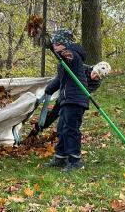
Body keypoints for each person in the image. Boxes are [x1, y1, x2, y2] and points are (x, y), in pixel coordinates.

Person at [43, 29, 89, 173]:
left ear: (64, 44)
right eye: (54, 43)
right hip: (66, 99)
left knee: (70, 129)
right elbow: (59, 79)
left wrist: (62, 55)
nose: (55, 46)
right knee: (62, 129)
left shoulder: (72, 55)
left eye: (58, 43)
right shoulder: (63, 60)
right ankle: (60, 157)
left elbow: (69, 58)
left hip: (75, 99)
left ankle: (75, 161)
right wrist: (49, 89)